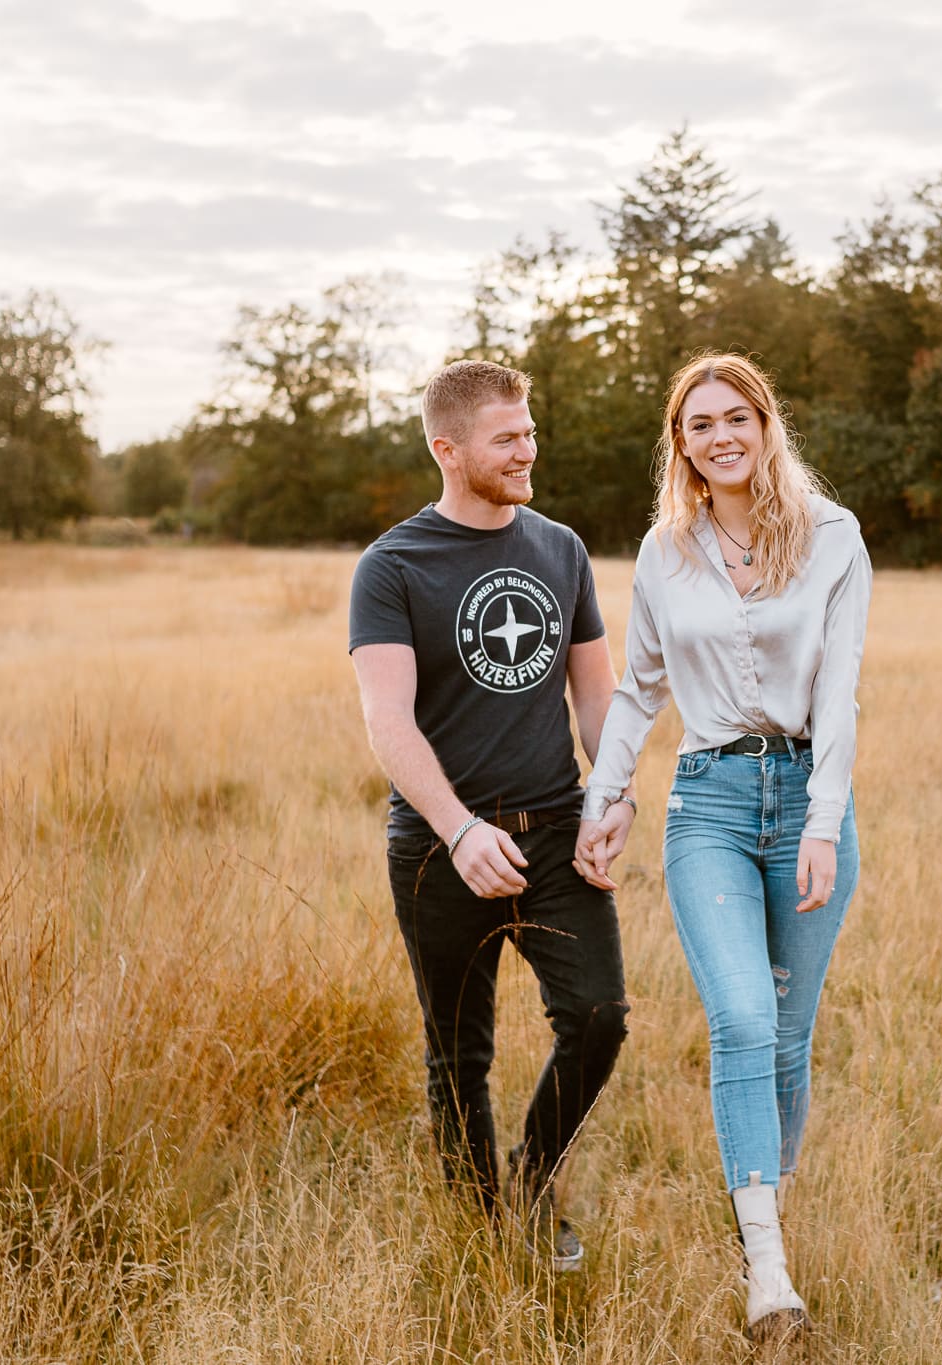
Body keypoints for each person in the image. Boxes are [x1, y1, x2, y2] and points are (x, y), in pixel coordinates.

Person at [575, 353, 871, 1347]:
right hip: (705, 803)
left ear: (764, 423)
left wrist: (822, 822)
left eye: (735, 416)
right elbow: (639, 688)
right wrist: (601, 796)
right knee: (742, 1019)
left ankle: (762, 1203)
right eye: (698, 424)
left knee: (789, 1035)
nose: (719, 436)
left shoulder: (833, 539)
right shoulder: (665, 552)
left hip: (803, 801)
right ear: (682, 445)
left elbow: (837, 692)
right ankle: (767, 1263)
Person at [348, 359, 628, 1272]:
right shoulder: (392, 566)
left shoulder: (561, 548)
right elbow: (387, 718)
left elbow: (597, 697)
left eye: (530, 431)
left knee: (597, 1016)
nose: (528, 450)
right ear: (449, 448)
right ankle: (476, 1234)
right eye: (507, 437)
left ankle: (535, 1179)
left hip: (555, 830)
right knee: (457, 1057)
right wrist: (461, 828)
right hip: (440, 846)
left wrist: (613, 794)